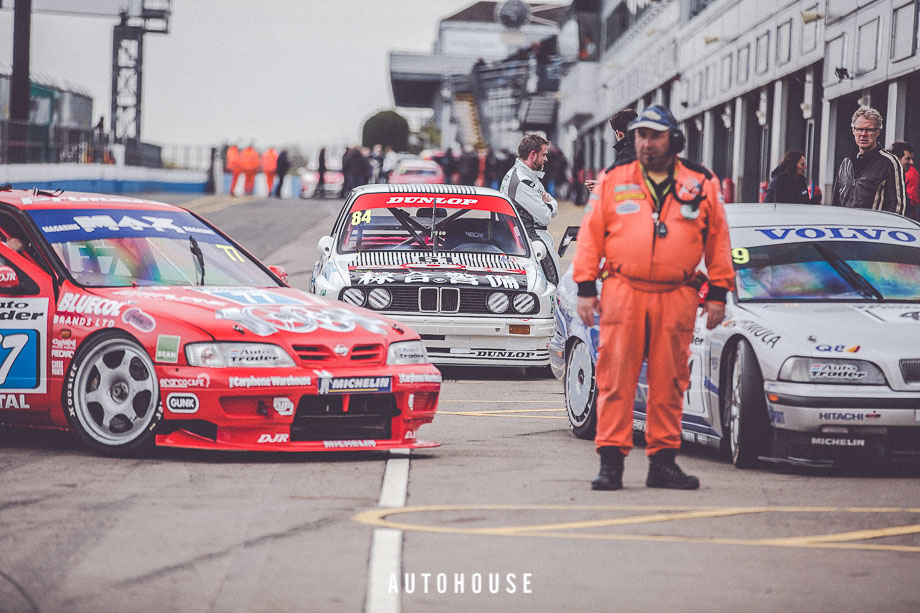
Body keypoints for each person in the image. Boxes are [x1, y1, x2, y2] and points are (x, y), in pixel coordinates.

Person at [573, 105, 733, 491]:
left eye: (655, 136)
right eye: (641, 135)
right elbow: (590, 235)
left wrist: (719, 292)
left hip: (677, 294)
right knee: (615, 377)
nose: (646, 143)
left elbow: (718, 238)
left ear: (673, 139)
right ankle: (610, 462)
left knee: (670, 380)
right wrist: (585, 287)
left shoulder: (700, 181)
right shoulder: (613, 178)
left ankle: (663, 462)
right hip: (622, 291)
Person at [500, 133, 560, 285]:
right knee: (553, 284)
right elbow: (545, 216)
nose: (546, 159)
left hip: (527, 240)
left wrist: (548, 204)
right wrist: (549, 204)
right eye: (544, 155)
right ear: (533, 155)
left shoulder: (526, 175)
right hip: (532, 240)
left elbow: (550, 204)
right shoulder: (522, 180)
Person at [832, 107, 906, 214]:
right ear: (853, 130)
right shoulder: (846, 163)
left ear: (878, 132)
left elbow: (898, 207)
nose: (863, 134)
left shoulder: (889, 162)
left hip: (873, 224)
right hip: (846, 223)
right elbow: (836, 203)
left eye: (869, 130)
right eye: (859, 129)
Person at [586, 108, 638, 194]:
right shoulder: (645, 150)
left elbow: (624, 187)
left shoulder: (626, 155)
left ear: (619, 134)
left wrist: (601, 187)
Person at [890, 141, 920, 219]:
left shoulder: (911, 173)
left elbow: (912, 201)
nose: (911, 162)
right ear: (896, 158)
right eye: (908, 159)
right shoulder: (887, 171)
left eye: (912, 159)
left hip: (904, 218)